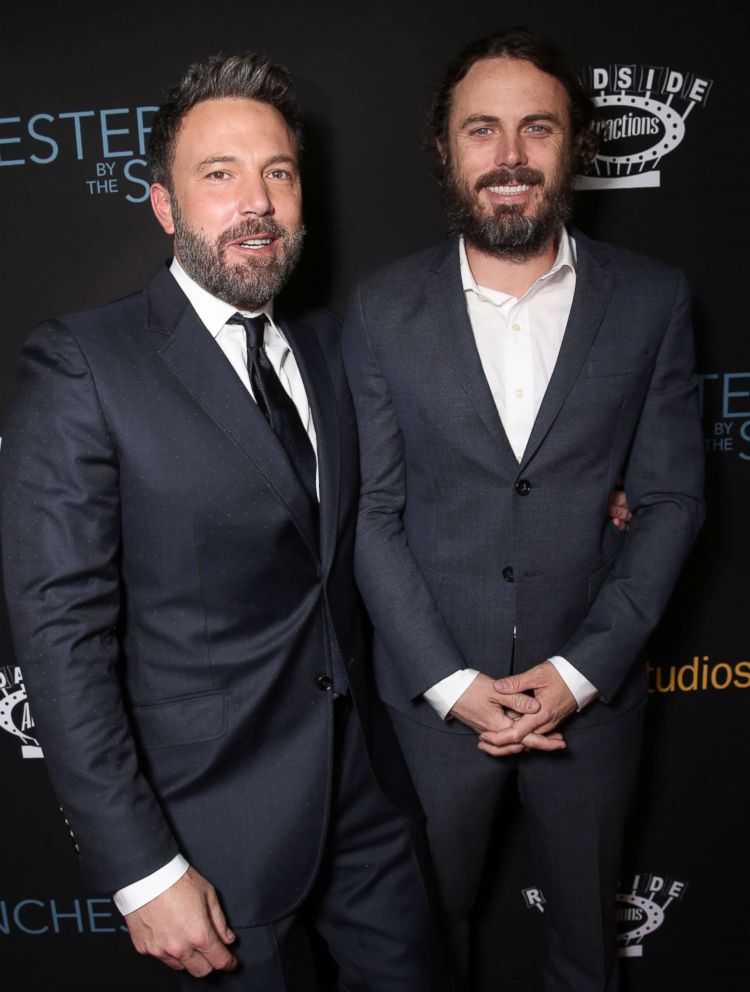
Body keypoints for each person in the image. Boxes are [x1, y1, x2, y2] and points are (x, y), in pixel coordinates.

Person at [0, 53, 445, 992]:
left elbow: (394, 507)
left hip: (368, 802)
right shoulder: (83, 365)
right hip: (210, 834)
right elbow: (60, 637)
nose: (258, 203)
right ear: (163, 205)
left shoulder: (331, 344)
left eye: (278, 173)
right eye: (220, 175)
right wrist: (140, 868)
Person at [342, 26, 704, 992]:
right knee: (424, 951)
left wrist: (581, 673)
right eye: (482, 131)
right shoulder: (379, 311)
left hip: (591, 701)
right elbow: (371, 517)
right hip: (432, 711)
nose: (509, 156)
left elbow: (669, 501)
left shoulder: (653, 299)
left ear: (572, 145)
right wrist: (451, 686)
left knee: (589, 954)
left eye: (536, 129)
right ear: (447, 152)